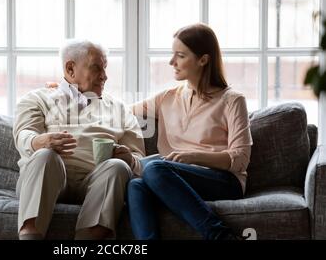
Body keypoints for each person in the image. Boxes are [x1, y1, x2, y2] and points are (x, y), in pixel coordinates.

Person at [127, 23, 253, 240]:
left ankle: (219, 236)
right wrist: (71, 96)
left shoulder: (232, 100)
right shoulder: (167, 97)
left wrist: (192, 156)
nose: (171, 62)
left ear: (203, 60)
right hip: (175, 177)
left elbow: (240, 159)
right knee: (136, 185)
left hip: (224, 181)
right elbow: (119, 111)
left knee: (155, 169)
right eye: (172, 54)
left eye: (180, 55)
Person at [13, 39, 145, 240]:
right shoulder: (37, 98)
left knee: (117, 166)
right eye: (96, 68)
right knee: (44, 156)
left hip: (96, 181)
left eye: (105, 68)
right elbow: (24, 133)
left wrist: (129, 158)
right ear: (70, 69)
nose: (104, 76)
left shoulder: (119, 108)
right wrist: (39, 142)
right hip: (50, 176)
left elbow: (139, 159)